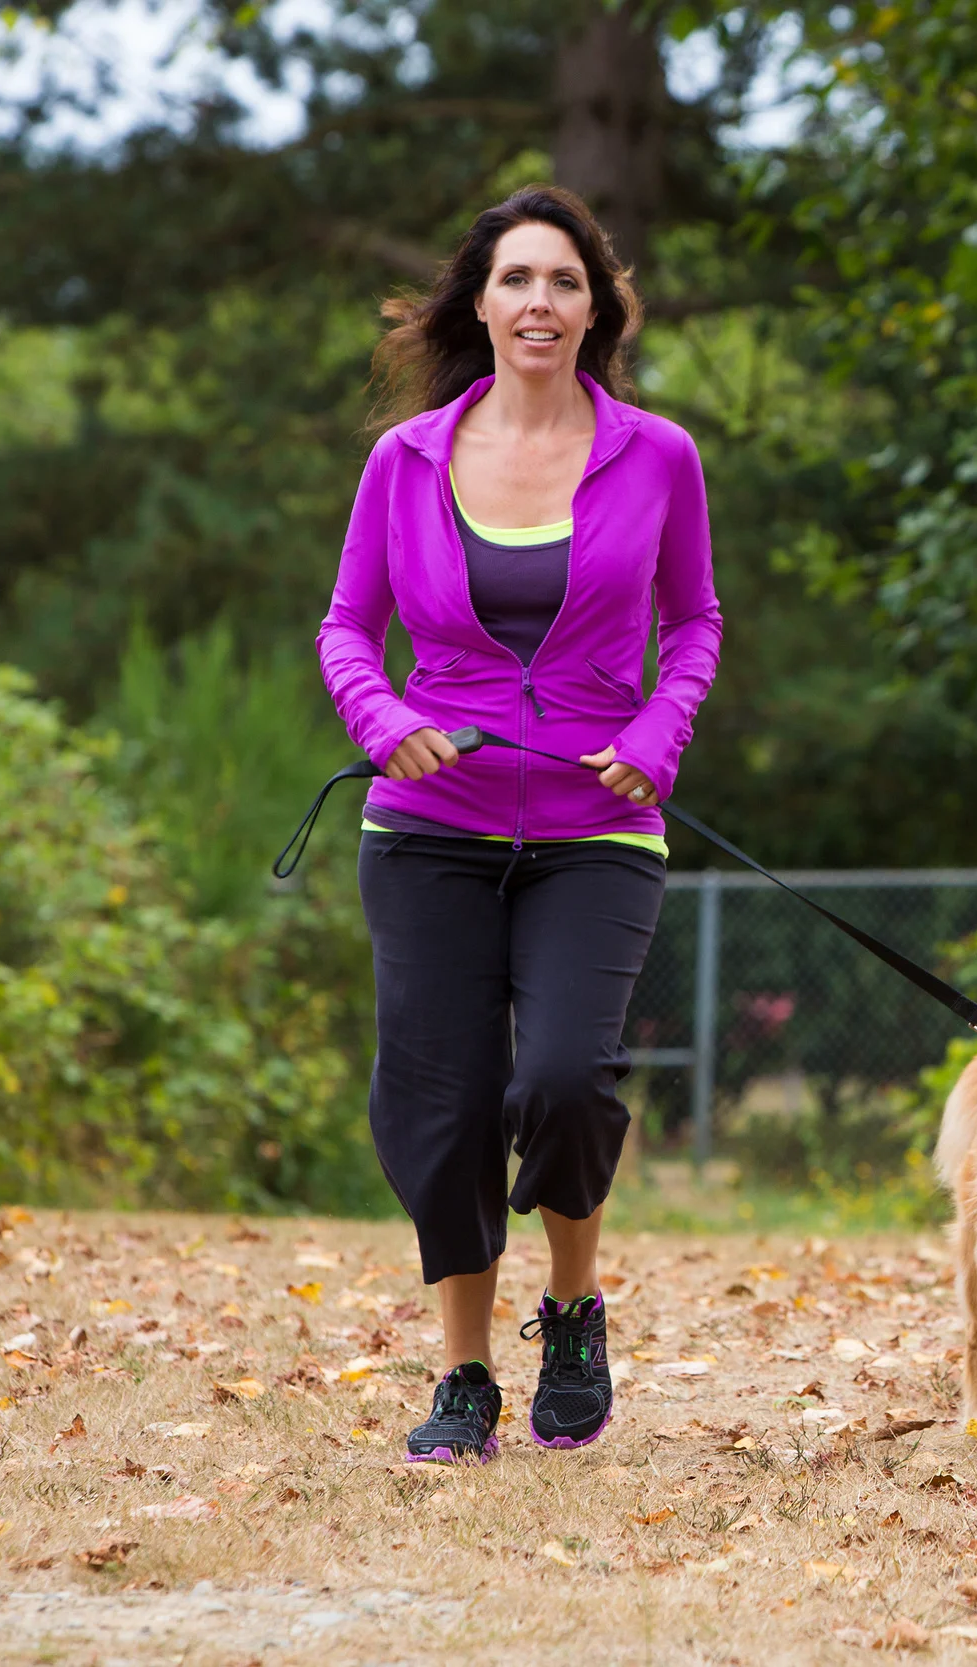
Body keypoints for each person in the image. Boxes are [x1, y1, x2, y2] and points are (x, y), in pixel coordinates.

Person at [314, 185, 720, 1463]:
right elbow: (347, 628)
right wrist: (383, 718)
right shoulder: (407, 459)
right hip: (429, 823)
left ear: (597, 310)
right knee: (442, 1104)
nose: (539, 301)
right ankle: (464, 1373)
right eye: (516, 280)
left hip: (596, 822)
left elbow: (694, 622)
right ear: (479, 306)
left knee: (561, 1079)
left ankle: (574, 1309)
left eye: (564, 280)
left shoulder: (657, 454)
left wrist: (656, 736)